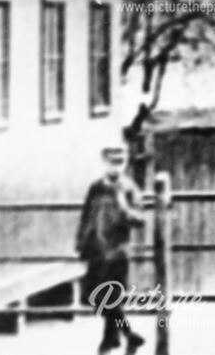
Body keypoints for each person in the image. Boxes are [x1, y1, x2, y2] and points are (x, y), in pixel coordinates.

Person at [76, 146, 147, 355]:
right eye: (110, 162)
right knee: (93, 297)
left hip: (117, 252)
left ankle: (111, 341)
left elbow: (140, 219)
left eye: (119, 162)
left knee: (110, 297)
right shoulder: (96, 188)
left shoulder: (128, 188)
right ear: (103, 163)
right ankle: (125, 336)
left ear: (124, 163)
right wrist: (80, 241)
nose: (114, 166)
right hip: (96, 250)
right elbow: (86, 215)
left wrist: (123, 206)